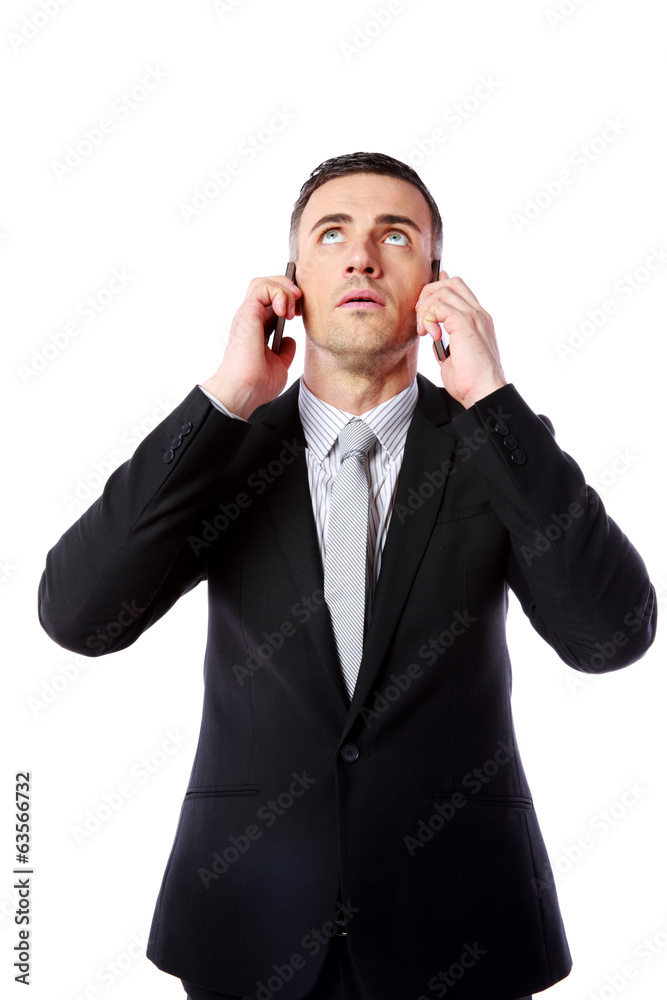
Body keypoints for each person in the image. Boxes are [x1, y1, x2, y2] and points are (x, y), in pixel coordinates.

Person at [38, 151, 657, 1000]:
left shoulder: (497, 448)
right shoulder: (228, 451)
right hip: (246, 922)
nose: (361, 257)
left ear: (435, 285)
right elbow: (77, 615)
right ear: (292, 282)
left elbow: (610, 637)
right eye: (332, 235)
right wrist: (225, 395)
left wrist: (489, 399)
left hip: (461, 927)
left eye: (394, 236)